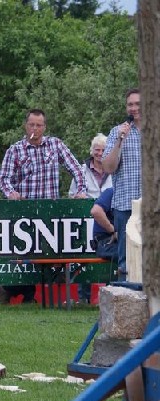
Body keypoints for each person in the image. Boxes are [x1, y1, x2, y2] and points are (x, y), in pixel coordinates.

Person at [0, 108, 87, 304]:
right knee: (23, 254)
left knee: (54, 254)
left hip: (51, 212)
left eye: (39, 125)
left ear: (44, 127)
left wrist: (80, 190)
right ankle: (12, 291)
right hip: (24, 211)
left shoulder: (55, 145)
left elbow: (77, 169)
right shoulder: (15, 150)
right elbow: (3, 179)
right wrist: (11, 193)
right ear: (26, 126)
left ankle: (49, 296)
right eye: (32, 125)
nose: (35, 129)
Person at [102, 88, 141, 281]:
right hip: (125, 206)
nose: (134, 108)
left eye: (138, 104)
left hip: (152, 206)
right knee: (126, 261)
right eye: (130, 105)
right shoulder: (116, 133)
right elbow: (108, 167)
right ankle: (126, 294)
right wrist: (120, 140)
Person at [69, 133, 112, 199]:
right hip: (87, 205)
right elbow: (72, 194)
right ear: (92, 151)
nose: (100, 153)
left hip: (109, 205)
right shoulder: (81, 171)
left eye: (103, 150)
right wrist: (78, 197)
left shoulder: (114, 171)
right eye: (97, 150)